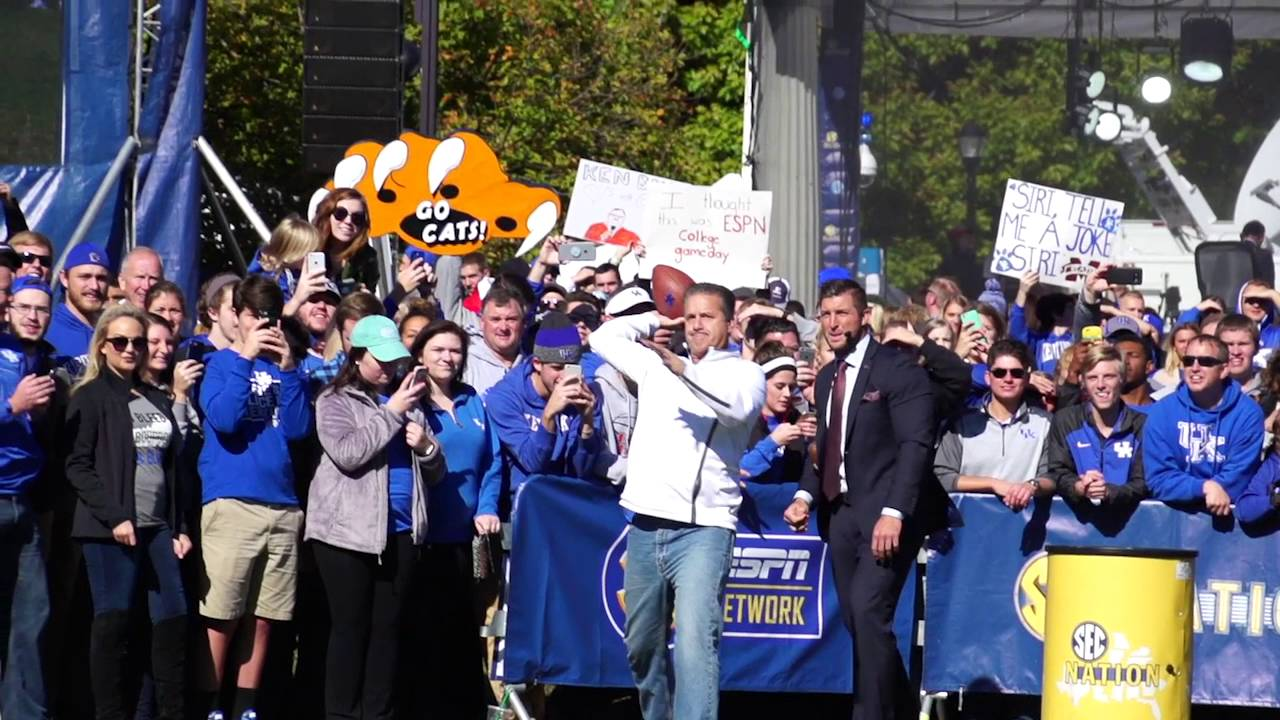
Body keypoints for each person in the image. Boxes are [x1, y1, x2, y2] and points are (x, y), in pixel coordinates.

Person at [590, 283, 765, 720]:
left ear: (731, 323)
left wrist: (685, 370)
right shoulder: (654, 365)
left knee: (694, 644)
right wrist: (656, 318)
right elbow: (601, 338)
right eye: (691, 315)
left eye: (708, 316)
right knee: (642, 647)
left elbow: (736, 411)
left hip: (704, 531)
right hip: (647, 526)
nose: (698, 324)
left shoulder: (745, 374)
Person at [781, 279, 935, 720]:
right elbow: (826, 449)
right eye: (826, 314)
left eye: (842, 313)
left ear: (865, 315)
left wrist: (894, 512)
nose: (832, 322)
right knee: (859, 623)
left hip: (887, 517)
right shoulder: (830, 376)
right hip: (840, 516)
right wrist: (804, 497)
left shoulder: (898, 369)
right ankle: (902, 710)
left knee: (869, 615)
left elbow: (915, 446)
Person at [306, 315, 444, 720]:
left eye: (393, 360)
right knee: (350, 630)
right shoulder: (334, 400)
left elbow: (435, 474)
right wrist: (393, 412)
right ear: (357, 355)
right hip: (346, 535)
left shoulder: (406, 402)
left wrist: (427, 449)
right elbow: (349, 453)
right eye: (379, 359)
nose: (387, 368)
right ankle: (342, 715)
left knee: (387, 631)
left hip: (400, 532)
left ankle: (379, 714)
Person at [64, 304, 190, 720]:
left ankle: (165, 712)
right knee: (113, 624)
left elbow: (173, 467)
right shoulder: (90, 397)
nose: (131, 348)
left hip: (158, 527)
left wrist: (180, 525)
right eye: (120, 341)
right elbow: (76, 465)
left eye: (138, 341)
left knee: (172, 619)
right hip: (110, 529)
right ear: (103, 347)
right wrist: (115, 515)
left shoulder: (155, 395)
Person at [197, 275, 312, 720]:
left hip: (281, 504)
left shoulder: (287, 366)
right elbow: (225, 418)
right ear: (238, 317)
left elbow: (301, 428)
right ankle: (210, 705)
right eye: (253, 316)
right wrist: (246, 356)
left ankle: (246, 707)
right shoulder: (222, 362)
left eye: (269, 317)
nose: (262, 325)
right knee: (223, 614)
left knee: (264, 617)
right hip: (233, 501)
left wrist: (288, 370)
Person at [409, 320, 503, 715]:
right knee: (427, 632)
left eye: (455, 350)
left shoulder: (471, 399)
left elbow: (493, 461)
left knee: (463, 629)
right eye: (439, 350)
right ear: (420, 356)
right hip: (424, 538)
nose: (448, 357)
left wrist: (486, 506)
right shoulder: (413, 404)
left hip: (466, 537)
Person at [486, 311, 602, 513]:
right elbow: (533, 463)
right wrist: (549, 415)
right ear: (537, 363)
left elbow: (583, 470)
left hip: (571, 505)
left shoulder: (587, 392)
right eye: (557, 367)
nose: (564, 376)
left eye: (572, 367)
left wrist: (587, 423)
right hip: (525, 508)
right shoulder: (504, 397)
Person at [0, 298, 55, 720]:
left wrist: (36, 416)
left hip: (24, 502)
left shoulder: (24, 355)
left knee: (32, 618)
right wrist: (11, 407)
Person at [1143, 334, 1264, 514]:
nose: (1195, 368)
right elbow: (1158, 478)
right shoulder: (1161, 412)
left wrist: (1215, 489)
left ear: (1224, 370)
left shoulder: (1248, 414)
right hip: (1171, 521)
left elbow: (1239, 476)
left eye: (1206, 361)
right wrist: (1204, 488)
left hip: (1228, 521)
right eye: (1189, 361)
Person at [933, 340, 1053, 512]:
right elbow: (942, 477)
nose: (1008, 379)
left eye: (1016, 373)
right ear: (988, 378)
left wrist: (1031, 486)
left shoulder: (1045, 423)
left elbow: (1052, 476)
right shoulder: (961, 423)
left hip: (1025, 523)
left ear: (1027, 378)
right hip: (969, 525)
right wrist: (993, 484)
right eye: (999, 373)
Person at [1046, 344, 1147, 509]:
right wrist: (1078, 487)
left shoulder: (1142, 425)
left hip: (1132, 526)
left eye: (1109, 376)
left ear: (1122, 379)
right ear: (1082, 381)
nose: (1101, 384)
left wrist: (1108, 492)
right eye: (1093, 378)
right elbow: (1057, 472)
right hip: (1075, 525)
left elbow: (1143, 482)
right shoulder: (1065, 420)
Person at [740, 342, 815, 483]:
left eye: (791, 387)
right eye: (779, 386)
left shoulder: (800, 421)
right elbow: (739, 471)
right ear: (760, 383)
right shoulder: (742, 421)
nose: (787, 393)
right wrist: (773, 442)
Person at [47, 243, 111, 368]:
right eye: (85, 277)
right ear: (64, 278)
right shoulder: (46, 330)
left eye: (101, 278)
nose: (94, 286)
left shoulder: (113, 332)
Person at [250, 215, 327, 308]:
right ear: (291, 254)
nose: (312, 256)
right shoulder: (269, 281)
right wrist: (297, 299)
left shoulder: (300, 274)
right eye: (309, 252)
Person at [464, 284, 526, 396]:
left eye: (511, 319)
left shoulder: (533, 366)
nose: (503, 327)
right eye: (495, 319)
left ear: (523, 324)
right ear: (482, 323)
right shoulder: (465, 365)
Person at [313, 188, 377, 290]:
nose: (348, 221)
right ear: (327, 215)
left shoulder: (367, 258)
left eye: (357, 217)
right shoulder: (307, 250)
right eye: (340, 213)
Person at [1010, 271, 1073, 374]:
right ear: (1056, 314)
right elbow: (1017, 332)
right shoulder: (1038, 341)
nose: (1075, 311)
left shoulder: (1075, 339)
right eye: (1070, 308)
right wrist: (1022, 292)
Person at [1103, 317, 1156, 410]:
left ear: (1149, 366)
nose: (1125, 361)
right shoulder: (1101, 410)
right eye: (1119, 355)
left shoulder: (1164, 411)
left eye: (1132, 355)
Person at [1216, 313, 1264, 401]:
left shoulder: (1271, 390)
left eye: (1243, 344)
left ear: (1256, 348)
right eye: (1229, 344)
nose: (1236, 352)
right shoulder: (1207, 391)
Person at [1150, 323, 1199, 399]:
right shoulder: (1160, 377)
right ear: (1174, 346)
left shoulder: (1210, 373)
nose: (1186, 345)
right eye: (1182, 341)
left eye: (1192, 340)